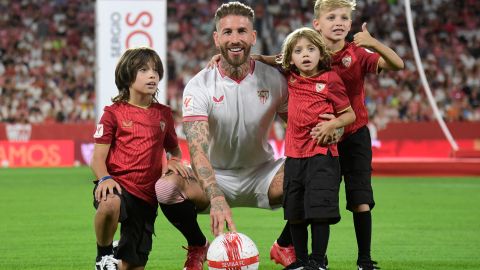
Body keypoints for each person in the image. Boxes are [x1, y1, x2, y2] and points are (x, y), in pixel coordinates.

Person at [153, 2, 299, 269]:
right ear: (216, 38)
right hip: (215, 175)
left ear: (253, 37)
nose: (235, 39)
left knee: (319, 169)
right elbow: (197, 150)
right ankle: (198, 245)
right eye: (227, 32)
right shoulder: (199, 86)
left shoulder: (275, 80)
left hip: (264, 174)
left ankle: (285, 245)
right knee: (165, 188)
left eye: (242, 31)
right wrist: (217, 196)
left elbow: (298, 129)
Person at [311, 1, 404, 269]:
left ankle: (364, 260)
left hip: (355, 135)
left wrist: (373, 43)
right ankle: (318, 259)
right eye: (331, 17)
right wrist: (256, 59)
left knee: (361, 198)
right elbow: (281, 61)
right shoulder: (310, 52)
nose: (338, 22)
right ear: (317, 24)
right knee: (322, 199)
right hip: (323, 137)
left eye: (343, 17)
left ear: (350, 25)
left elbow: (397, 65)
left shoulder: (358, 53)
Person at [90, 47, 190, 270]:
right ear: (127, 75)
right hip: (116, 184)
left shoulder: (164, 114)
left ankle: (120, 251)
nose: (152, 75)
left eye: (155, 70)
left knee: (133, 266)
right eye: (143, 70)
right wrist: (105, 178)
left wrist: (174, 161)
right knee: (109, 204)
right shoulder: (113, 113)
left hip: (146, 197)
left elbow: (174, 151)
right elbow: (97, 158)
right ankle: (104, 254)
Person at [279, 27, 356, 270]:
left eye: (311, 49)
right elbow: (274, 60)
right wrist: (258, 58)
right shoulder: (290, 78)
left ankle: (318, 260)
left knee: (319, 210)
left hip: (322, 155)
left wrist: (332, 124)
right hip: (294, 155)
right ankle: (301, 261)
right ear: (291, 58)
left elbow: (349, 114)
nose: (305, 55)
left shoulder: (330, 79)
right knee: (295, 212)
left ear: (320, 53)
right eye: (299, 51)